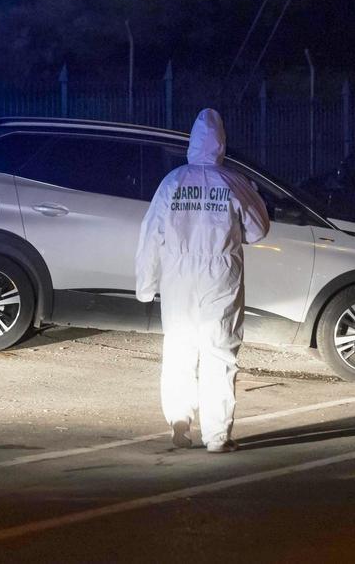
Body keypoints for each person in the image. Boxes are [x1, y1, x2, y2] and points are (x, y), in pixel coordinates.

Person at [135, 108, 270, 453]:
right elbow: (258, 230)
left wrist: (146, 285)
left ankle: (179, 420)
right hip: (220, 277)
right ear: (221, 145)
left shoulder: (173, 182)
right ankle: (217, 436)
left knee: (179, 349)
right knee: (219, 354)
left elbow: (151, 235)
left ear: (192, 144)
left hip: (178, 277)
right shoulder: (234, 182)